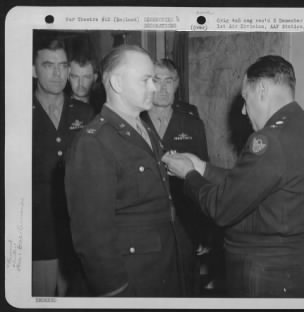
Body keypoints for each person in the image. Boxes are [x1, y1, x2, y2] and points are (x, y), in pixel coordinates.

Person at [162, 55, 304, 297]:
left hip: (265, 276)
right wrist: (203, 168)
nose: (243, 110)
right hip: (294, 266)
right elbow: (251, 182)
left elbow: (222, 208)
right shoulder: (303, 127)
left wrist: (188, 175)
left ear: (261, 90)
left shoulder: (269, 140)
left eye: (245, 99)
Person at [65, 45, 190, 297]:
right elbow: (92, 235)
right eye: (146, 80)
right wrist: (115, 292)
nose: (154, 88)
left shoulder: (142, 127)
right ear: (117, 83)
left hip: (163, 266)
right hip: (133, 279)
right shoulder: (94, 142)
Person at [141, 59, 220, 296]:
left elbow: (203, 177)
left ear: (177, 85)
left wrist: (205, 229)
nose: (163, 88)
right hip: (146, 220)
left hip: (184, 220)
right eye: (157, 81)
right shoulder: (136, 123)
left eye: (169, 81)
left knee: (187, 283)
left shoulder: (192, 124)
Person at [32, 33, 94, 297]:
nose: (57, 74)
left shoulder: (85, 114)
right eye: (48, 65)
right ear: (34, 70)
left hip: (76, 235)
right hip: (37, 235)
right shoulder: (16, 111)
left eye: (63, 66)